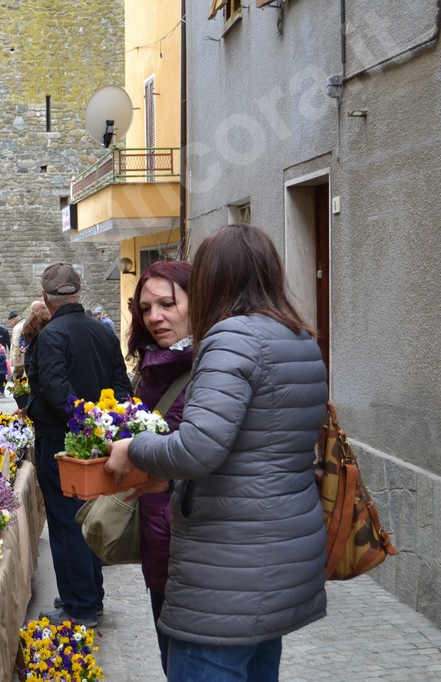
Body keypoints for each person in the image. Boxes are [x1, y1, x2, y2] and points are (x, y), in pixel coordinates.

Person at [105, 224, 328, 681]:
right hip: (281, 553)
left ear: (210, 279)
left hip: (227, 566)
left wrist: (134, 447)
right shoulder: (298, 338)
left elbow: (196, 449)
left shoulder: (230, 338)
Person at [27, 262, 132, 628]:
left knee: (67, 522)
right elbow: (122, 386)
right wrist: (106, 424)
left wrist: (84, 423)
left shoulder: (51, 336)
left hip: (61, 440)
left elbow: (56, 390)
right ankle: (87, 594)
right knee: (87, 518)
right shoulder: (102, 332)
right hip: (98, 440)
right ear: (78, 291)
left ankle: (80, 604)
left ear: (46, 297)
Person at [123, 260, 194, 676]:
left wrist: (135, 450)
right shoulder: (153, 363)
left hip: (195, 542)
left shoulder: (212, 366)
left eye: (167, 304)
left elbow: (196, 451)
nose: (155, 317)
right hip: (160, 534)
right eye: (146, 308)